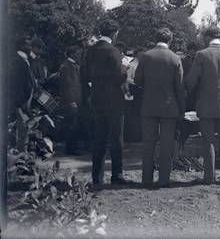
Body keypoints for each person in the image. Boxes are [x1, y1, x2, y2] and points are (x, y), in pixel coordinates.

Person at [184, 27, 220, 185]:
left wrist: (188, 90)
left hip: (206, 103)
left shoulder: (202, 54)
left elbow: (191, 80)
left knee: (208, 141)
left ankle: (209, 177)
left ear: (207, 37)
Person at [134, 28, 185, 189]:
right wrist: (181, 109)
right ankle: (164, 179)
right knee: (166, 143)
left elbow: (138, 80)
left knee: (148, 143)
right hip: (169, 107)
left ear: (155, 38)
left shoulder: (145, 56)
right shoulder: (175, 58)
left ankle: (146, 179)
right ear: (170, 41)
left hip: (148, 106)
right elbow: (180, 87)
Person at [84, 19, 130, 186]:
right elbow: (120, 77)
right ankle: (116, 175)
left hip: (97, 100)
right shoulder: (114, 51)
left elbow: (87, 76)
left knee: (99, 140)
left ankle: (97, 177)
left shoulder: (90, 51)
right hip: (114, 102)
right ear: (114, 33)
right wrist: (125, 67)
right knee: (116, 141)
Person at [8, 37, 36, 152]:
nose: (30, 47)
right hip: (21, 101)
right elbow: (16, 83)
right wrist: (21, 102)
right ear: (21, 46)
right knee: (21, 129)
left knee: (25, 129)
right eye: (28, 45)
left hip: (26, 98)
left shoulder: (25, 60)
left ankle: (23, 154)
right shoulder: (17, 61)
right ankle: (20, 155)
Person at [59, 45, 84, 155]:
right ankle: (70, 149)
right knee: (71, 125)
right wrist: (71, 101)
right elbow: (67, 86)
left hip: (77, 100)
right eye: (78, 54)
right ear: (71, 54)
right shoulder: (66, 67)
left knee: (75, 124)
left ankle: (74, 147)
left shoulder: (74, 66)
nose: (80, 56)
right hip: (71, 101)